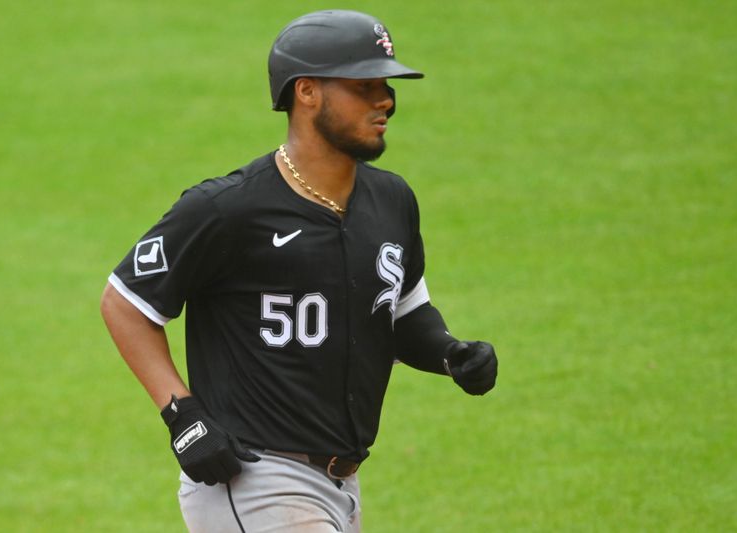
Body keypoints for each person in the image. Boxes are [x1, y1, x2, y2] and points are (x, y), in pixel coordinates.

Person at [100, 9, 498, 533]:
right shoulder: (228, 208)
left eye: (387, 85)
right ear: (306, 92)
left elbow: (402, 311)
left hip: (342, 486)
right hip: (254, 479)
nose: (386, 101)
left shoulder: (391, 200)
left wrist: (450, 353)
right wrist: (183, 416)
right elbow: (126, 301)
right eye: (365, 85)